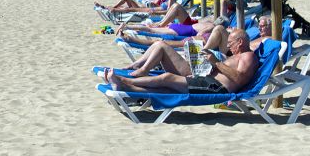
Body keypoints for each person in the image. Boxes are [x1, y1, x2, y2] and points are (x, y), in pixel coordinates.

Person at [105, 28, 260, 95]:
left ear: (240, 42)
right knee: (167, 89)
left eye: (230, 43)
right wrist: (205, 64)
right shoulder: (236, 56)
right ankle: (126, 86)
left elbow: (239, 78)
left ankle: (125, 80)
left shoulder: (248, 57)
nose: (228, 46)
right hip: (207, 80)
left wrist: (216, 63)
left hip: (216, 88)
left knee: (167, 78)